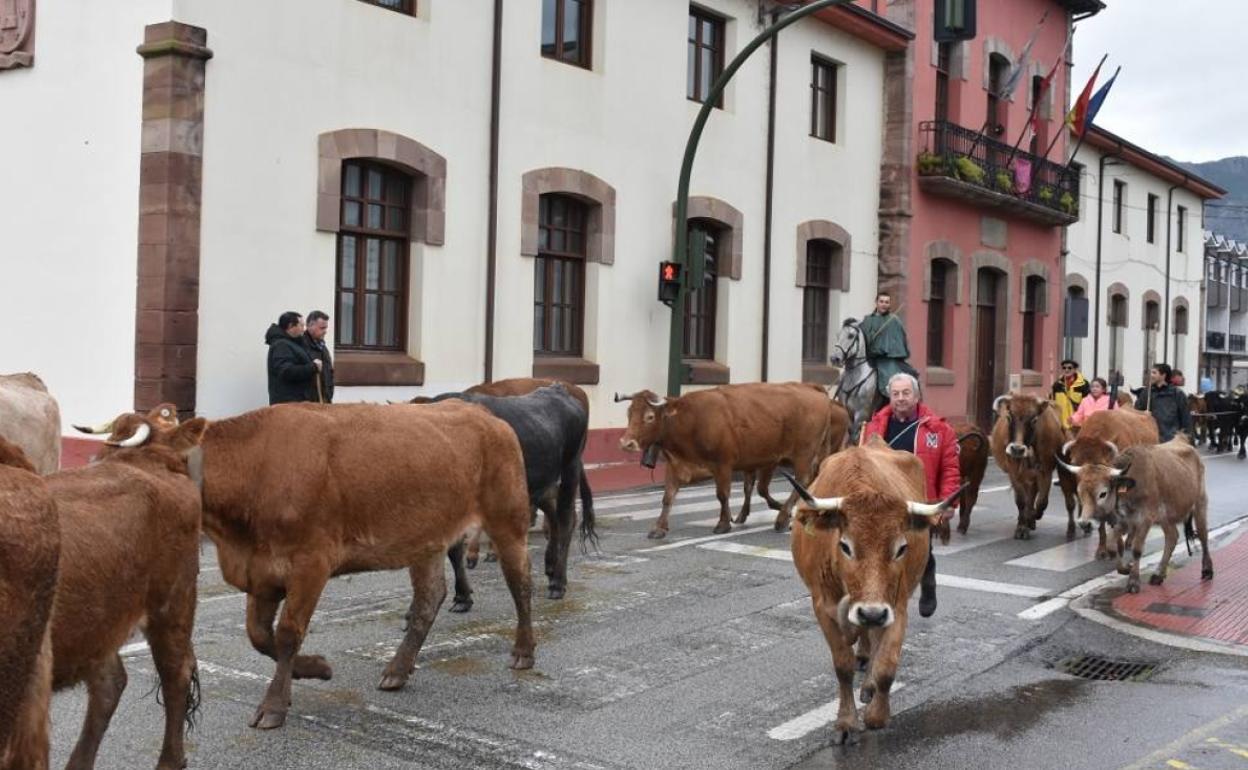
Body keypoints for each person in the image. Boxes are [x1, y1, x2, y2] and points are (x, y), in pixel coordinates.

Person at [861, 372, 960, 618]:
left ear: (916, 396)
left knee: (920, 548)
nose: (901, 398)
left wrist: (949, 501)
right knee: (882, 550)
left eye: (906, 393)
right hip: (882, 502)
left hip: (919, 499)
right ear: (889, 397)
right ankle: (883, 593)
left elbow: (950, 468)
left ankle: (928, 583)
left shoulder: (938, 429)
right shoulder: (874, 427)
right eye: (895, 394)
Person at [858, 291, 916, 400]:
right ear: (876, 302)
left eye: (886, 302)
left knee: (891, 382)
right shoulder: (867, 319)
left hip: (886, 359)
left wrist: (884, 349)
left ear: (889, 305)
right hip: (867, 358)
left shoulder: (894, 321)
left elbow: (899, 341)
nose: (884, 304)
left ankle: (891, 403)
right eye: (881, 301)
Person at [264, 311, 322, 405]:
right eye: (301, 326)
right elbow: (286, 371)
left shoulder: (293, 343)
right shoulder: (281, 345)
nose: (304, 329)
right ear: (291, 326)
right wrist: (313, 367)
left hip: (296, 404)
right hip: (289, 405)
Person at [1134, 363, 1193, 442]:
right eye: (1151, 372)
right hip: (1152, 439)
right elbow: (1135, 412)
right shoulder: (1147, 393)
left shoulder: (1177, 394)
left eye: (1154, 373)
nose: (1151, 375)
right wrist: (1142, 414)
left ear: (1163, 375)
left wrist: (1186, 439)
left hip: (1171, 441)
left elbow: (1186, 419)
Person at [302, 310, 335, 403]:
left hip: (324, 401)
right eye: (322, 328)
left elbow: (329, 373)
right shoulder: (301, 346)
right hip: (309, 404)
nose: (325, 331)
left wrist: (329, 395)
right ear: (310, 326)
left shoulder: (322, 347)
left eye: (326, 328)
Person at [1052, 359, 1091, 428]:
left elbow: (1088, 404)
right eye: (1064, 368)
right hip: (1061, 424)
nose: (1066, 370)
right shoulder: (1057, 385)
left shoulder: (1083, 384)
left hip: (1077, 424)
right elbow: (1053, 403)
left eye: (1070, 368)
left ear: (1075, 369)